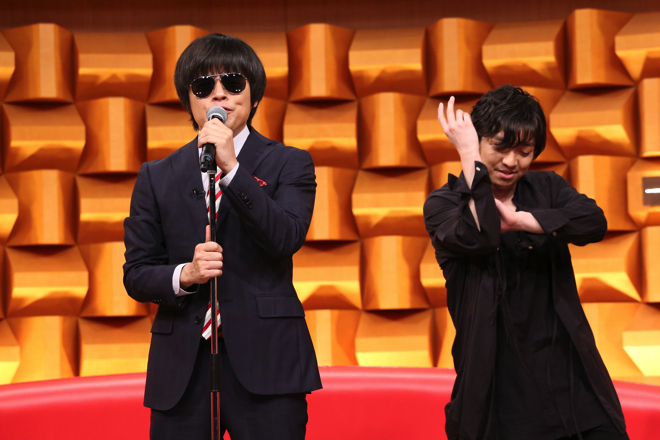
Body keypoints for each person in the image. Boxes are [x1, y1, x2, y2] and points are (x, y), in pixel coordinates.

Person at [123, 33, 321, 440]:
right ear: (188, 99)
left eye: (232, 83)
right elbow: (137, 274)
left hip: (268, 364)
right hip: (182, 371)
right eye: (203, 86)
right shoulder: (156, 176)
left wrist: (232, 170)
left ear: (253, 94)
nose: (219, 95)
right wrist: (186, 274)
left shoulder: (290, 163)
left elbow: (285, 237)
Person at [423, 85, 629, 440]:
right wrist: (469, 153)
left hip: (570, 382)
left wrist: (522, 220)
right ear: (478, 142)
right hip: (497, 391)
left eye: (524, 151)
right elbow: (479, 236)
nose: (511, 162)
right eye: (499, 147)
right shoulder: (443, 205)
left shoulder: (547, 187)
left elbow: (593, 222)